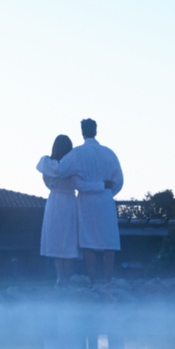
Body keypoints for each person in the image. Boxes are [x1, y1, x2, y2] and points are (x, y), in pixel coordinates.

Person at [55, 117, 124, 282]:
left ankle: (93, 280)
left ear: (82, 132)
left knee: (88, 242)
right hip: (106, 201)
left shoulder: (76, 153)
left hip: (86, 201)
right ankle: (108, 280)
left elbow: (61, 170)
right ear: (96, 130)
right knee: (108, 242)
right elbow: (119, 181)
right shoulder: (109, 153)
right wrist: (106, 191)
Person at [35, 135, 82, 283]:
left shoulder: (48, 164)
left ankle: (60, 278)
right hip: (67, 201)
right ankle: (64, 279)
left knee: (59, 241)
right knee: (66, 241)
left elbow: (50, 178)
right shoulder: (72, 165)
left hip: (55, 202)